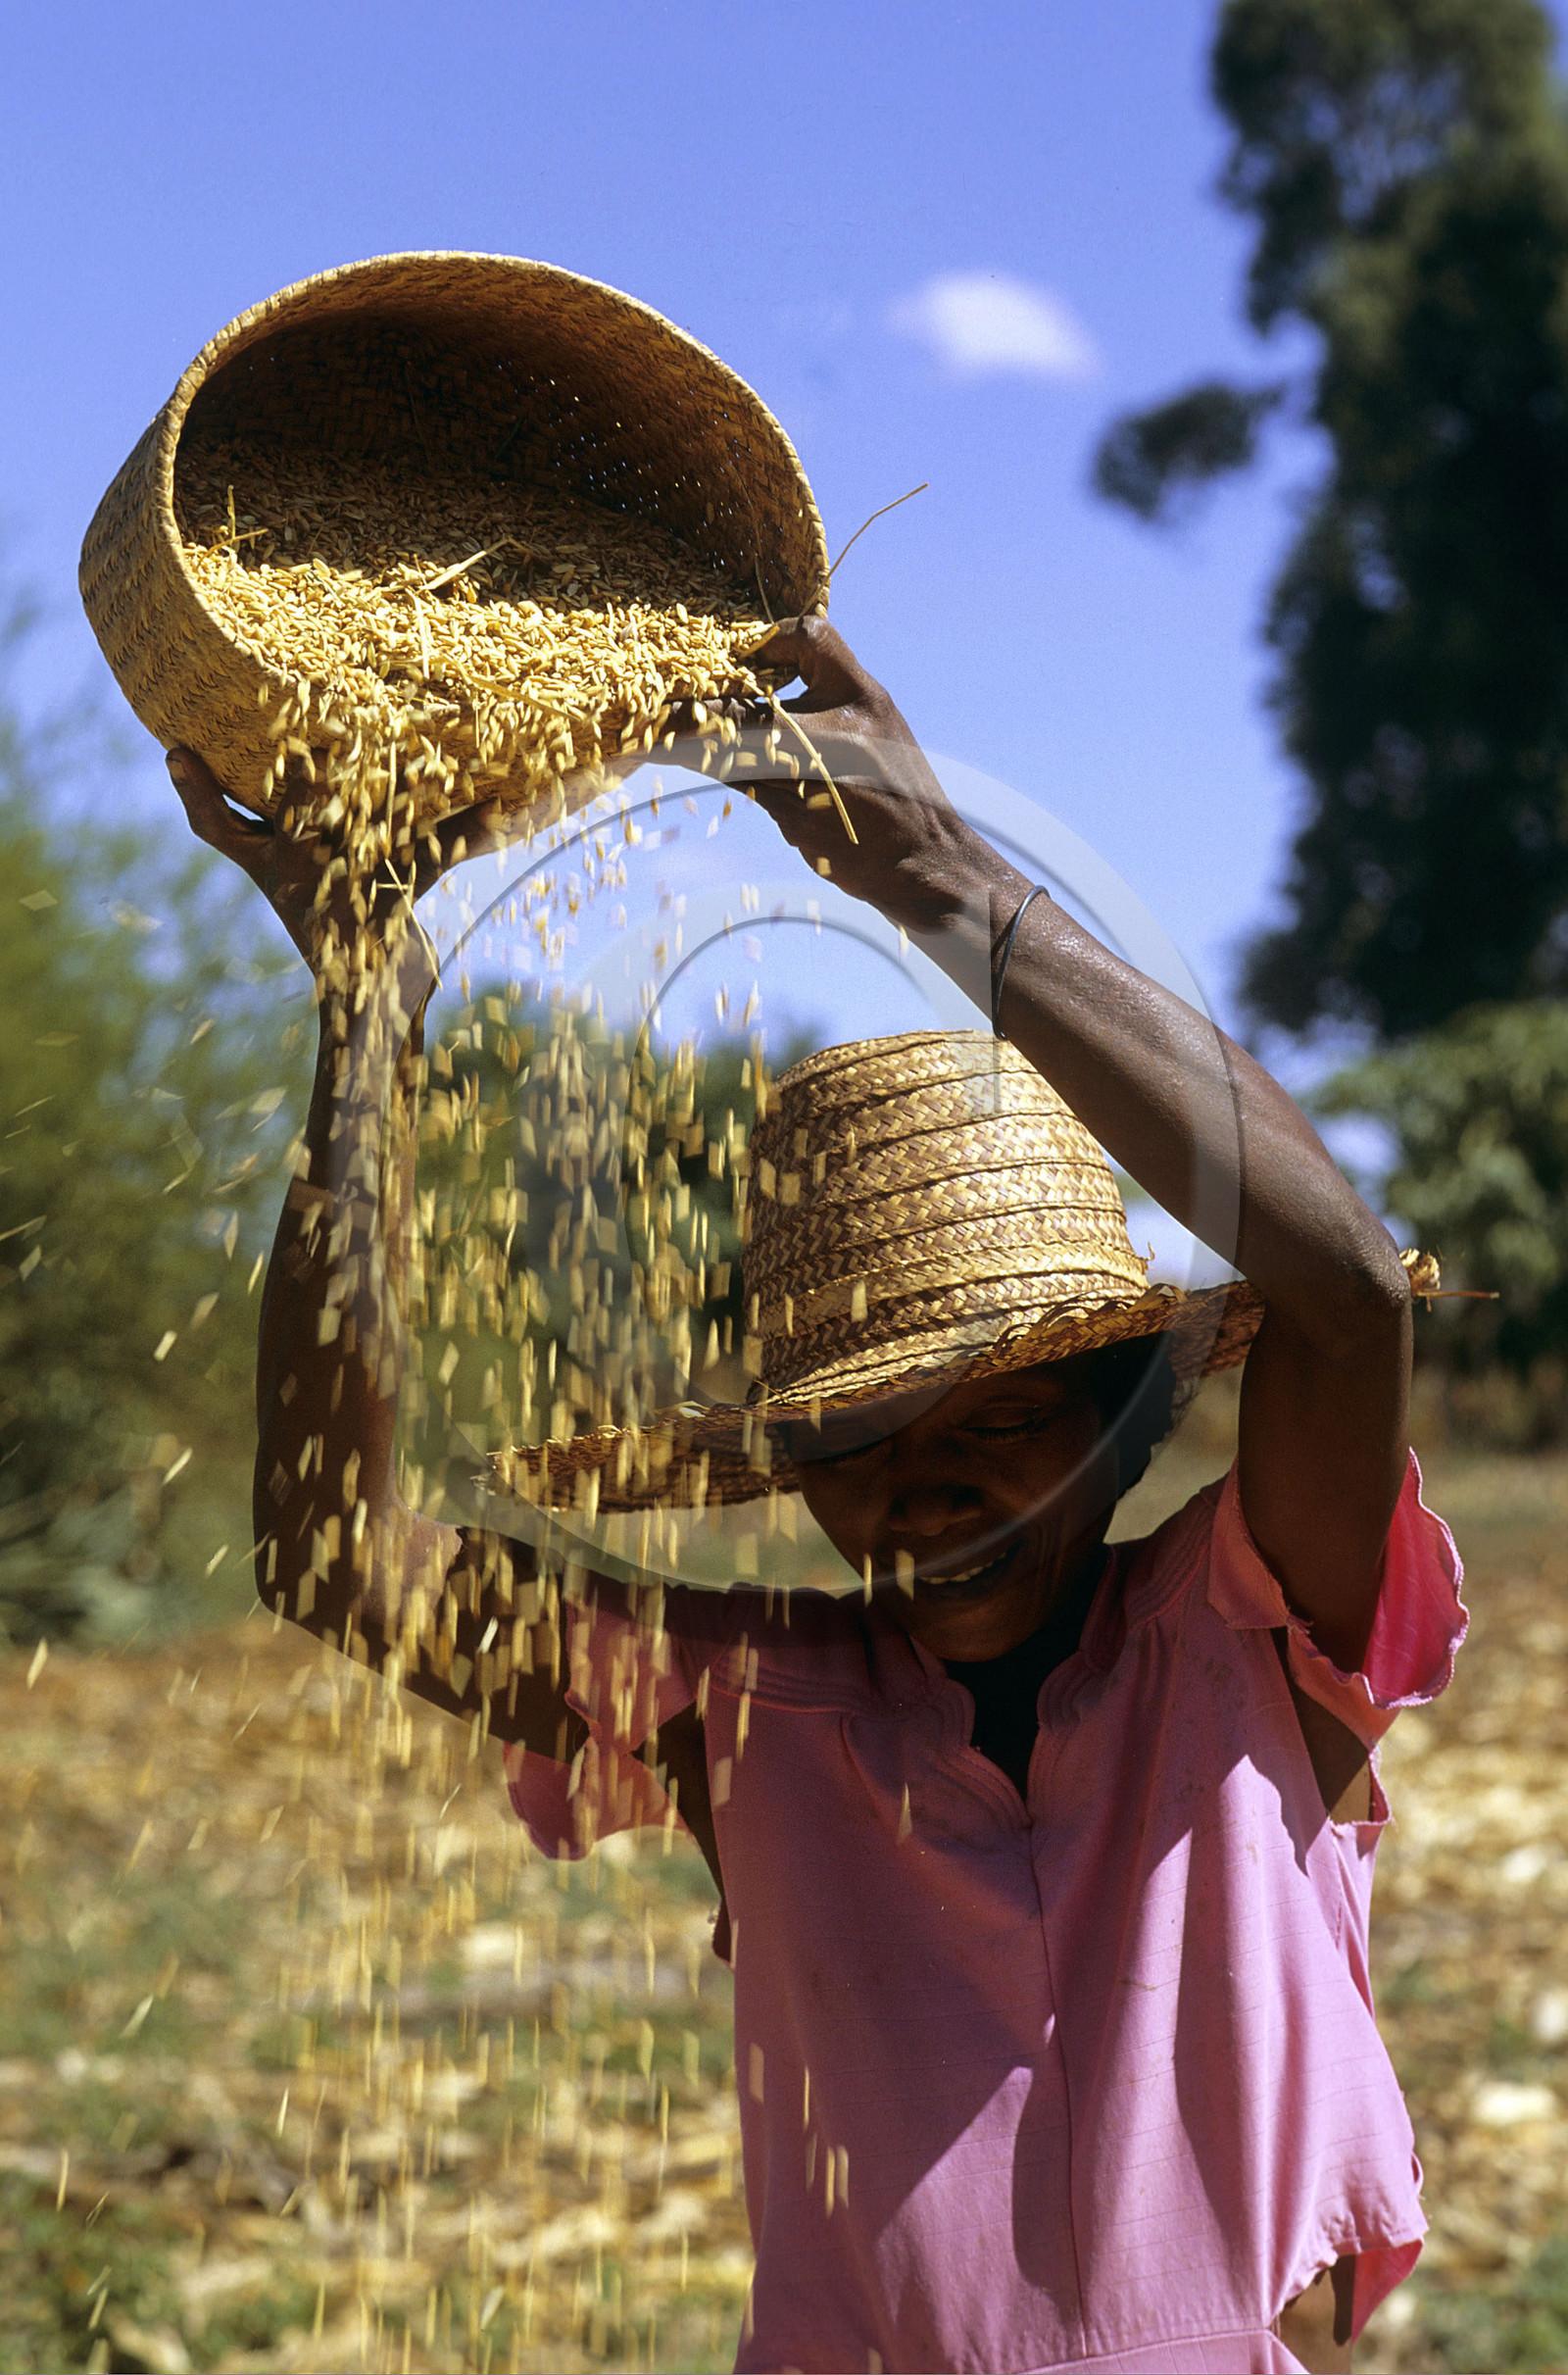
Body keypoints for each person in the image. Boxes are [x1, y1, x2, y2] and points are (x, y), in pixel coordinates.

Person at [167, 618, 1464, 2375]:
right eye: (860, 1446)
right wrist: (368, 1020)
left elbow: (1350, 1295)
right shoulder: (758, 1716)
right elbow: (334, 1545)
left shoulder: (1254, 1640)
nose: (925, 1493)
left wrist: (932, 872)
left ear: (1123, 1425)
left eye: (995, 1423)